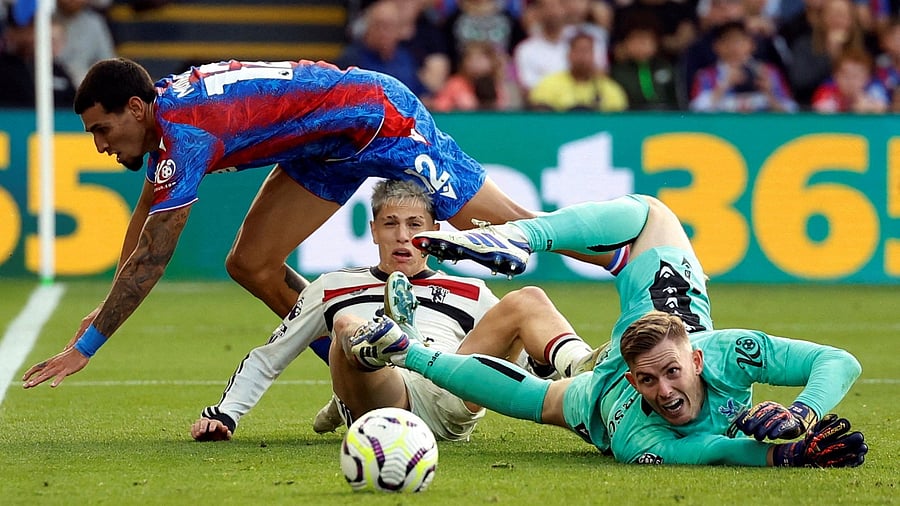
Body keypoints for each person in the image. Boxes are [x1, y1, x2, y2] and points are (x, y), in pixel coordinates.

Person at [20, 57, 625, 390]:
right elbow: (147, 218)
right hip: (325, 148)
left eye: (101, 129)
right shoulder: (167, 120)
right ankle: (360, 377)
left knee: (516, 226)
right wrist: (102, 308)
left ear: (134, 109)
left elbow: (152, 259)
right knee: (250, 265)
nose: (100, 144)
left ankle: (620, 257)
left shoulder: (185, 134)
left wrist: (89, 344)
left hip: (377, 119)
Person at [350, 195, 868, 466]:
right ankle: (519, 239)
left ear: (697, 361)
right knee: (649, 214)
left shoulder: (631, 432)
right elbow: (721, 449)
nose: (664, 392)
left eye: (669, 375)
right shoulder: (667, 399)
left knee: (540, 400)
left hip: (597, 390)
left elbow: (837, 362)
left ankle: (413, 341)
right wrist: (784, 453)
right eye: (651, 381)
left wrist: (802, 415)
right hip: (655, 328)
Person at [190, 179, 561, 441]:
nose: (402, 235)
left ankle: (582, 372)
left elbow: (515, 370)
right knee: (349, 325)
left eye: (415, 225)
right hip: (386, 402)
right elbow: (270, 356)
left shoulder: (470, 290)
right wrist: (224, 414)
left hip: (451, 392)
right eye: (390, 224)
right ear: (372, 230)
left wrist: (541, 364)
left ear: (435, 231)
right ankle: (392, 342)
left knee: (528, 299)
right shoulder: (332, 287)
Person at [689, 21, 797, 112]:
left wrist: (770, 94)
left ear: (751, 44)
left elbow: (791, 110)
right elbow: (695, 111)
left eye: (739, 40)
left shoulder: (769, 72)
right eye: (728, 40)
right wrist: (723, 86)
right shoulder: (706, 76)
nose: (734, 47)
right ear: (717, 46)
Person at [529, 31, 628, 111]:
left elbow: (618, 119)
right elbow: (540, 115)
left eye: (587, 51)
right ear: (568, 55)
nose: (583, 57)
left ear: (594, 55)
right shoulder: (549, 84)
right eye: (578, 51)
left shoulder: (609, 88)